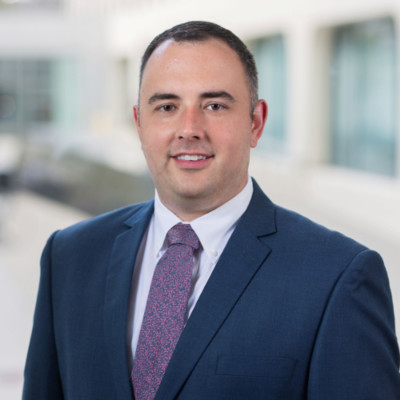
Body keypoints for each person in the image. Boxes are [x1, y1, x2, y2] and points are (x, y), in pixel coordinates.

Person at [23, 21, 400, 400]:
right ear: (139, 124)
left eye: (214, 106)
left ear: (255, 123)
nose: (189, 129)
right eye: (167, 107)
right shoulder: (70, 257)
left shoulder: (337, 277)